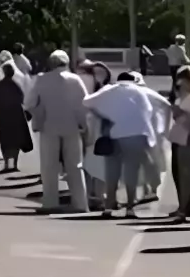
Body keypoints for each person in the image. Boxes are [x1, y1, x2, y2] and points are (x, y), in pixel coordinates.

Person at [85, 70, 169, 217]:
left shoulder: (110, 89)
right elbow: (166, 104)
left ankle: (108, 207)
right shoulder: (142, 90)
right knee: (132, 171)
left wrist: (104, 115)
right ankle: (130, 208)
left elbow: (86, 102)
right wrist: (164, 130)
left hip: (114, 134)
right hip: (137, 134)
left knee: (112, 172)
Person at [30, 51, 91, 212]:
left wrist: (39, 115)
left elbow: (29, 103)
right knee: (75, 166)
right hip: (72, 127)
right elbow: (84, 104)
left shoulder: (42, 79)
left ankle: (50, 202)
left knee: (49, 167)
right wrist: (83, 125)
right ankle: (81, 204)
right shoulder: (75, 79)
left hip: (48, 126)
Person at [166, 66, 190, 221]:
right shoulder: (181, 96)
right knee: (179, 175)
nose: (180, 84)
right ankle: (184, 206)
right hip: (179, 138)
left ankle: (187, 208)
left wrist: (181, 113)